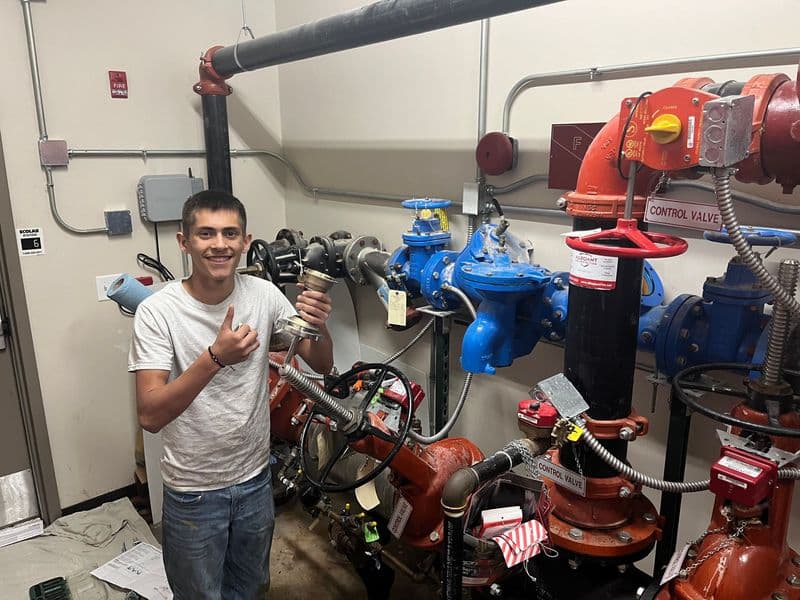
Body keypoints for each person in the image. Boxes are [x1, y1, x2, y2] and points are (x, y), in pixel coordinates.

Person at [128, 190, 333, 599]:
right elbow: (150, 415)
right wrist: (214, 359)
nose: (219, 244)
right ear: (184, 242)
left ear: (244, 240)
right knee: (201, 593)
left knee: (252, 587)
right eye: (206, 234)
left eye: (229, 233)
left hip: (255, 480)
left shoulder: (263, 294)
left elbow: (322, 363)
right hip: (193, 491)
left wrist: (317, 324)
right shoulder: (158, 312)